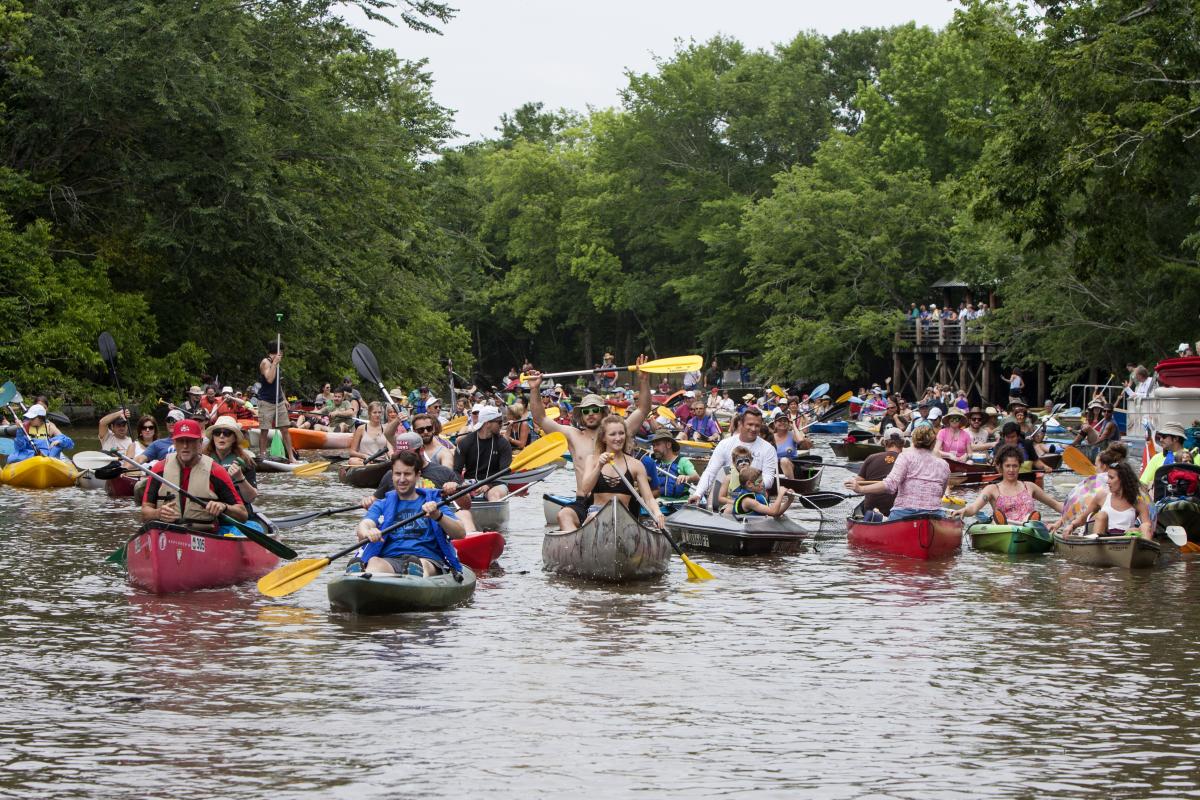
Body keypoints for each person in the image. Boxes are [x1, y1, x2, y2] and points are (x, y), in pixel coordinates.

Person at [528, 360, 651, 530]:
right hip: (585, 500)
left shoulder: (619, 431)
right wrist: (534, 389)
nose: (591, 414)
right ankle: (575, 549)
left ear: (603, 412)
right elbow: (540, 418)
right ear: (581, 415)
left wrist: (644, 380)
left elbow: (643, 410)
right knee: (563, 515)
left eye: (595, 410)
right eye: (586, 411)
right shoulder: (572, 435)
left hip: (619, 499)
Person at [353, 450, 467, 577]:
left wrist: (438, 515)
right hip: (390, 559)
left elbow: (461, 533)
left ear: (417, 475)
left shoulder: (433, 501)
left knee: (420, 565)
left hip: (427, 560)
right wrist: (368, 532)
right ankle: (362, 579)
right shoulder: (382, 504)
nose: (401, 479)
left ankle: (414, 582)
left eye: (407, 474)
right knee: (374, 562)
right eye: (397, 474)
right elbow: (365, 525)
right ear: (392, 475)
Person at [140, 419, 247, 529]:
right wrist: (157, 513)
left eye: (190, 441)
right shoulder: (159, 469)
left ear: (200, 443)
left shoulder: (216, 471)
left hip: (204, 535)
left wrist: (223, 507)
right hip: (167, 534)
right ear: (174, 443)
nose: (185, 446)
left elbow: (242, 514)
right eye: (181, 441)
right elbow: (144, 513)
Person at [570, 415, 664, 532]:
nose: (618, 438)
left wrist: (657, 512)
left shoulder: (636, 465)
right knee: (593, 517)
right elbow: (585, 490)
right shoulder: (592, 459)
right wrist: (599, 466)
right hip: (596, 513)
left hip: (625, 516)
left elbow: (649, 498)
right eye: (613, 434)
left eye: (621, 433)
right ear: (603, 438)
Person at [845, 425, 949, 520]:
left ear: (913, 441)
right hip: (935, 513)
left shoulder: (905, 457)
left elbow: (890, 485)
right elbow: (941, 493)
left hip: (904, 513)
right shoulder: (944, 464)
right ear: (934, 443)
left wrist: (861, 489)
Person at [952, 444, 1063, 524]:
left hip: (1027, 530)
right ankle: (1000, 521)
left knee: (1033, 520)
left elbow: (1055, 505)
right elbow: (973, 508)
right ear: (1001, 467)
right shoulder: (991, 489)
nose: (1011, 470)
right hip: (1004, 530)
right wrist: (964, 511)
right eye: (1007, 466)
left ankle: (1031, 521)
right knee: (999, 521)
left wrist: (1076, 511)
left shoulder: (1030, 486)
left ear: (1020, 467)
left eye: (1014, 466)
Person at [693, 407, 778, 505]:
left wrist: (753, 485)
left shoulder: (768, 449)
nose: (753, 429)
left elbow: (769, 478)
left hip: (755, 496)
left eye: (757, 426)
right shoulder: (724, 444)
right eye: (750, 424)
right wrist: (698, 494)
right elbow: (710, 472)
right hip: (727, 496)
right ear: (741, 424)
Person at [1051, 459, 1152, 539]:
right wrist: (1071, 526)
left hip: (1126, 540)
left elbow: (1147, 528)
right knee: (1101, 515)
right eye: (1108, 477)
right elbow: (1083, 518)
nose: (1108, 482)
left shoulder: (1137, 502)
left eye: (1111, 478)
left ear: (1123, 480)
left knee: (1145, 526)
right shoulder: (1102, 496)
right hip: (1103, 538)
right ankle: (1096, 551)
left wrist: (1138, 530)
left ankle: (1146, 554)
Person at [454, 406, 512, 501]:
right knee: (460, 496)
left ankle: (493, 513)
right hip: (470, 483)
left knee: (494, 495)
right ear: (487, 423)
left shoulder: (503, 444)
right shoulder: (465, 443)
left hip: (496, 483)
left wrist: (488, 485)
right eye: (499, 422)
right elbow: (456, 471)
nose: (502, 425)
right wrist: (462, 484)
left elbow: (505, 473)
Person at [203, 416, 259, 505]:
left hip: (238, 510)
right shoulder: (202, 459)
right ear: (213, 437)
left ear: (234, 438)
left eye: (227, 433)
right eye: (217, 433)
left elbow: (251, 499)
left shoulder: (245, 460)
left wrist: (240, 478)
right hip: (210, 509)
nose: (221, 436)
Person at [257, 340, 297, 463]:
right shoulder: (265, 362)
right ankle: (262, 455)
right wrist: (274, 363)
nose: (283, 354)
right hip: (266, 401)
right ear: (277, 351)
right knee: (265, 430)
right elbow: (269, 379)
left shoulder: (277, 363)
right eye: (282, 351)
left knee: (285, 429)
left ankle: (291, 456)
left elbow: (277, 384)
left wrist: (284, 399)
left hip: (278, 401)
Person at [857, 428, 904, 521]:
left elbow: (857, 485)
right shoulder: (907, 460)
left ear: (884, 443)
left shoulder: (871, 458)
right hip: (897, 512)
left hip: (870, 509)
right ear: (903, 443)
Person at [5, 404, 74, 464]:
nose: (30, 420)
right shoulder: (25, 426)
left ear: (40, 418)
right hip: (29, 455)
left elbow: (70, 444)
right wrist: (19, 430)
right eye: (29, 418)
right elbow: (19, 447)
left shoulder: (50, 427)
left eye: (32, 418)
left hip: (46, 454)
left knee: (58, 445)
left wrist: (59, 441)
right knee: (11, 458)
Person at [644, 429, 699, 500]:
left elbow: (696, 477)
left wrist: (687, 477)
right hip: (658, 502)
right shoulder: (653, 463)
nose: (654, 448)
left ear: (668, 445)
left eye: (658, 444)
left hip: (677, 505)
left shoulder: (682, 461)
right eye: (653, 445)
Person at [726, 466, 794, 518]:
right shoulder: (748, 501)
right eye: (759, 481)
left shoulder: (757, 496)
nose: (762, 483)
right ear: (749, 484)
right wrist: (780, 495)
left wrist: (789, 501)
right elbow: (773, 512)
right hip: (748, 530)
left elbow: (777, 513)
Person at [1139, 421, 1192, 487]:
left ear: (1175, 438)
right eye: (1160, 437)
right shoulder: (1156, 458)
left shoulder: (1194, 456)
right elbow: (1143, 485)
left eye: (1164, 436)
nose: (1161, 439)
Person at [768, 412, 813, 479]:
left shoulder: (792, 435)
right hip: (775, 468)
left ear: (788, 423)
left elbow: (800, 440)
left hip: (792, 467)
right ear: (775, 424)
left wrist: (794, 425)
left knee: (784, 461)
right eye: (780, 421)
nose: (782, 423)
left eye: (785, 421)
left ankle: (792, 484)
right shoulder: (771, 437)